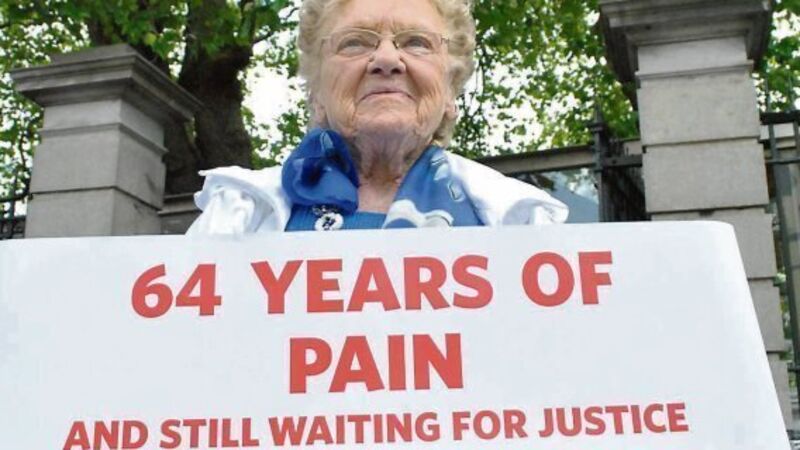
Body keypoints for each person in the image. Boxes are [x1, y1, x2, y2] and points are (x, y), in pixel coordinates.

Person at [187, 0, 567, 235]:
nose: (386, 60)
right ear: (317, 94)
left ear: (450, 92)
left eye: (416, 42)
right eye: (355, 42)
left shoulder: (522, 222)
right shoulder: (236, 215)